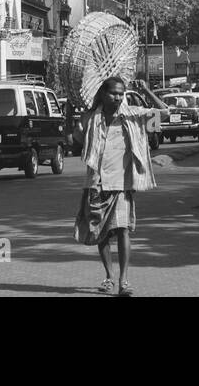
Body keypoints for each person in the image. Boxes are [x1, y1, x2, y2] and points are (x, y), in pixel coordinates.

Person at [74, 77, 165, 296]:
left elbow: (164, 112)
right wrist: (71, 111)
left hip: (121, 184)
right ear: (103, 94)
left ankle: (124, 281)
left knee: (123, 230)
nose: (118, 97)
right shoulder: (90, 118)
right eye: (114, 93)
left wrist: (146, 90)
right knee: (101, 234)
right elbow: (73, 139)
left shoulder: (132, 116)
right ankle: (109, 276)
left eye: (121, 93)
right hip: (96, 184)